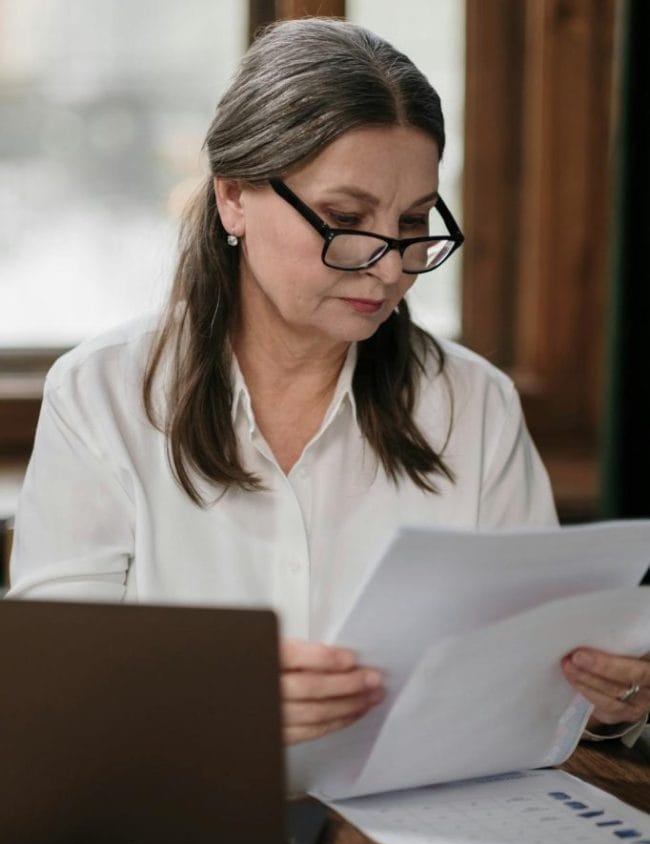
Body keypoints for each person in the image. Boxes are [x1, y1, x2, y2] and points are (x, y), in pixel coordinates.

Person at [9, 18, 648, 747]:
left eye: (413, 222)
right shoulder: (102, 396)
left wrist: (603, 700)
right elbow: (53, 689)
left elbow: (532, 681)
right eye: (346, 220)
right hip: (180, 814)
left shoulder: (474, 405)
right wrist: (220, 699)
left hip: (417, 826)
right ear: (233, 197)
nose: (389, 267)